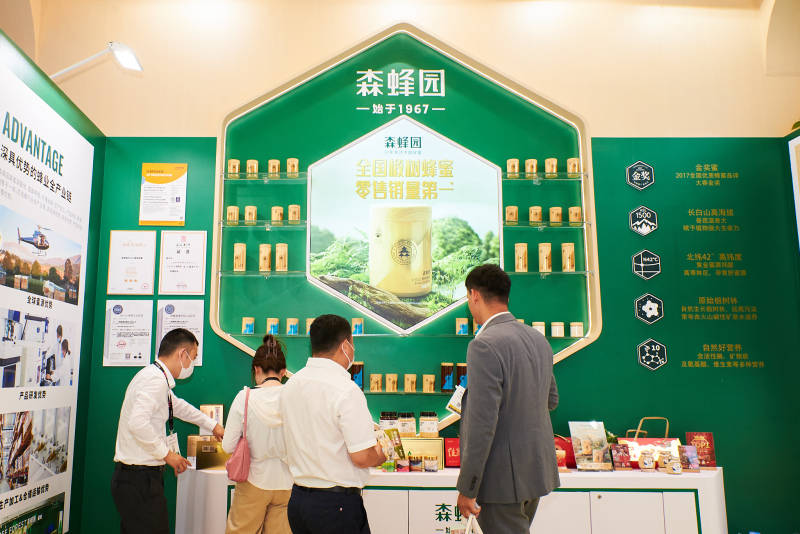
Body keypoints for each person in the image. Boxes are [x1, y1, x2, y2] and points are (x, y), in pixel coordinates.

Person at [456, 264, 560, 533]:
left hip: (500, 480)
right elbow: (551, 400)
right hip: (535, 473)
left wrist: (468, 488)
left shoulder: (484, 344)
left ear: (474, 295)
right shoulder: (538, 339)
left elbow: (482, 424)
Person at [111, 328, 224, 534]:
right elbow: (137, 423)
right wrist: (167, 454)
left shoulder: (155, 378)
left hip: (137, 479)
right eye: (193, 358)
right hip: (139, 479)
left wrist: (213, 425)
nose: (192, 364)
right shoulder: (154, 381)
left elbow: (179, 407)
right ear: (182, 354)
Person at [280, 314, 386, 534]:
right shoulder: (346, 390)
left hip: (298, 501)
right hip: (335, 506)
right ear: (345, 345)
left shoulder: (292, 384)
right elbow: (361, 456)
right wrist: (381, 454)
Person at [222, 335, 293, 534]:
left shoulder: (244, 397)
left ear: (256, 370)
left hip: (253, 480)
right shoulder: (295, 399)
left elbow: (227, 446)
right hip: (287, 483)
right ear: (283, 372)